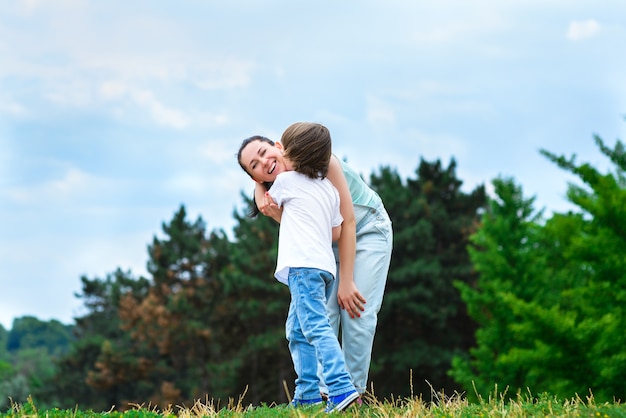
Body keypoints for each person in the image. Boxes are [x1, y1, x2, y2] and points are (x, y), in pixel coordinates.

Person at [237, 122, 393, 396]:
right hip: (326, 240)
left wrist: (346, 281)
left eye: (263, 152)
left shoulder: (319, 158)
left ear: (277, 146)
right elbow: (305, 228)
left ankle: (351, 394)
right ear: (255, 177)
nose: (263, 162)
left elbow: (349, 222)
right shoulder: (281, 185)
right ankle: (322, 394)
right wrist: (264, 197)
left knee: (356, 311)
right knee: (320, 314)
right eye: (255, 165)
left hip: (366, 229)